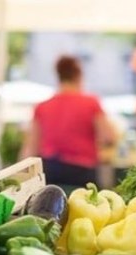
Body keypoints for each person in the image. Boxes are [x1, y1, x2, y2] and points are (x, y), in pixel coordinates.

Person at [20, 55, 117, 188]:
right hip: (82, 172)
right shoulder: (91, 103)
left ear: (58, 75)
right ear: (78, 75)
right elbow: (109, 137)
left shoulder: (42, 107)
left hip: (50, 171)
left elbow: (31, 148)